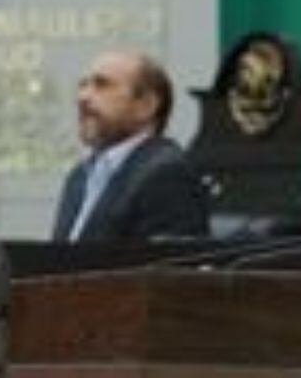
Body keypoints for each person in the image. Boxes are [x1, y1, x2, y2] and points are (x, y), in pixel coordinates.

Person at [50, 49, 209, 242]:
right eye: (83, 85)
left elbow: (163, 269)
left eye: (102, 85)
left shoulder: (167, 173)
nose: (82, 97)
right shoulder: (79, 177)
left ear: (146, 106)